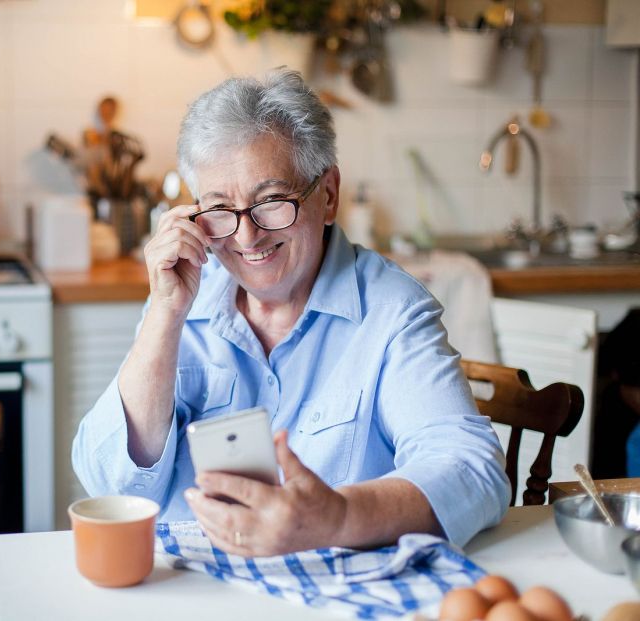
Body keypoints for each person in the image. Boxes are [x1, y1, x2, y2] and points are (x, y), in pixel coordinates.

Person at [72, 69, 510, 557]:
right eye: (220, 208)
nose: (246, 237)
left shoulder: (391, 312)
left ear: (328, 195)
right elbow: (111, 486)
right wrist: (163, 315)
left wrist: (337, 518)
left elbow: (473, 470)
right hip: (190, 591)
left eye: (272, 202)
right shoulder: (180, 299)